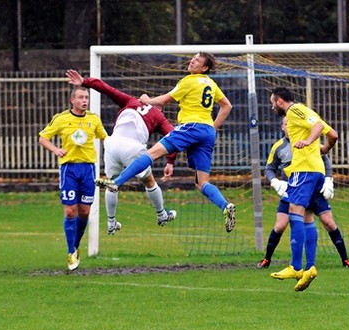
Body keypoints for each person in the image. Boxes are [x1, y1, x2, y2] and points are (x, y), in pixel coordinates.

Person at [95, 52, 236, 232]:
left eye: (197, 60)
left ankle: (116, 182)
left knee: (151, 154)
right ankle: (225, 206)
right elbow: (227, 106)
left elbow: (163, 100)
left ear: (205, 67)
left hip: (190, 127)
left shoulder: (189, 81)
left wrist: (147, 100)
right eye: (193, 58)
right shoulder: (211, 83)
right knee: (202, 183)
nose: (192, 61)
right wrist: (213, 128)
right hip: (207, 132)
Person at [66, 69, 178, 235]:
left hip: (111, 144)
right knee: (149, 181)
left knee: (112, 184)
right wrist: (170, 161)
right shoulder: (159, 116)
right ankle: (162, 214)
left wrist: (84, 82)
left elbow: (105, 88)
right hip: (132, 148)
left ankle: (111, 223)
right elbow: (174, 138)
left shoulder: (130, 101)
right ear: (160, 107)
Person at [256, 116, 349, 270]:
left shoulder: (309, 143)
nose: (289, 127)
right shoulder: (279, 147)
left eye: (291, 124)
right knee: (280, 225)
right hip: (292, 190)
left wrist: (329, 180)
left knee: (329, 222)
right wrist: (275, 182)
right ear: (282, 127)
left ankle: (345, 259)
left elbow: (325, 162)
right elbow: (269, 169)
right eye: (286, 124)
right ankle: (267, 259)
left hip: (314, 190)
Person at [268, 87, 338, 291]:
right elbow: (332, 134)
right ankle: (310, 267)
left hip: (303, 170)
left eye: (273, 102)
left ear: (280, 101)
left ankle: (296, 266)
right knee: (307, 217)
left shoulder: (294, 110)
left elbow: (316, 126)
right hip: (316, 171)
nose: (273, 107)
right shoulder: (309, 112)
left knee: (294, 212)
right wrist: (324, 149)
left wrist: (307, 141)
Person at [38, 83, 108, 271]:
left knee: (85, 211)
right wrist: (56, 150)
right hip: (69, 169)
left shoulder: (94, 119)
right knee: (70, 211)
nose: (84, 101)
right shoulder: (61, 119)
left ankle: (75, 245)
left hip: (88, 170)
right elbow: (43, 138)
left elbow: (105, 138)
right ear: (72, 100)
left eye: (86, 98)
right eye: (80, 98)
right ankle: (71, 253)